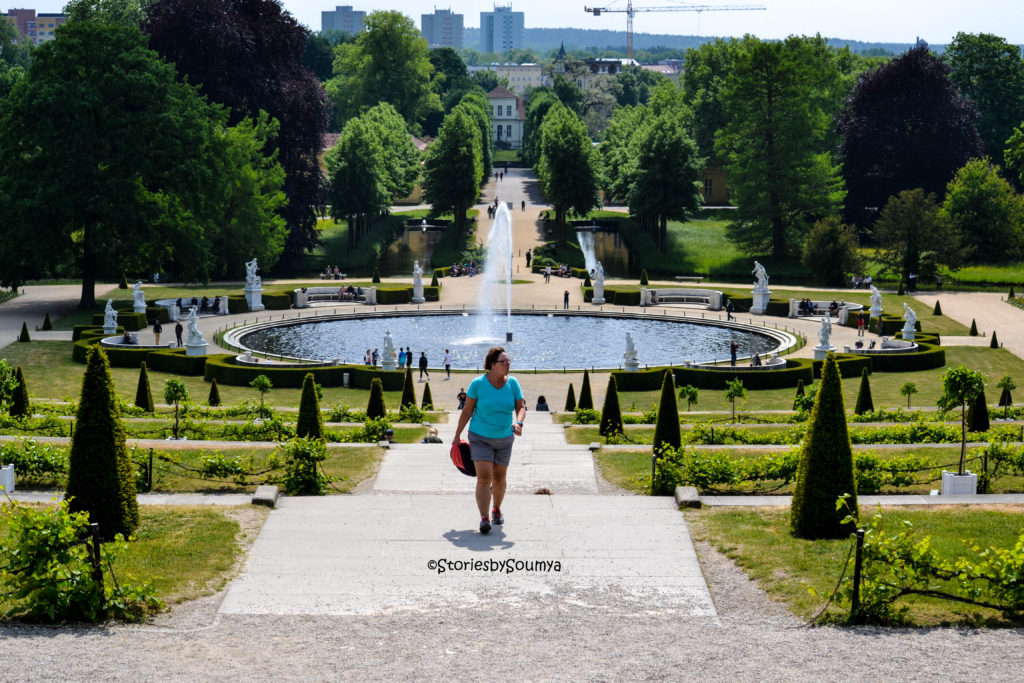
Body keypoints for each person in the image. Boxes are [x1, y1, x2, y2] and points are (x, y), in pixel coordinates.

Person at [453, 347, 526, 535]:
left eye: (509, 361)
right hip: (480, 437)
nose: (508, 364)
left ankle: (496, 509)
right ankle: (484, 518)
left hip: (504, 438)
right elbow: (467, 410)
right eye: (504, 361)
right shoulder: (478, 384)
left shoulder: (513, 383)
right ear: (493, 365)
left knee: (500, 478)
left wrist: (519, 422)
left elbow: (521, 406)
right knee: (484, 477)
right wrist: (457, 435)